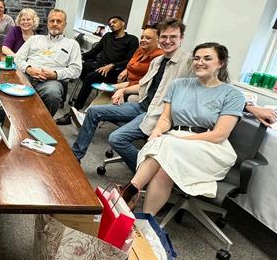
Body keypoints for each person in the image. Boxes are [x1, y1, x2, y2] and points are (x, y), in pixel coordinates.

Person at [121, 43, 246, 215]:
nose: (200, 62)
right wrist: (157, 130)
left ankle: (129, 191)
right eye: (196, 58)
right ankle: (146, 218)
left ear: (221, 63)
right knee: (164, 169)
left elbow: (219, 134)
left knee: (166, 145)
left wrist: (178, 140)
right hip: (173, 139)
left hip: (209, 145)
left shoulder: (233, 95)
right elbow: (166, 119)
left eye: (207, 58)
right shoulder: (178, 85)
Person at [71, 18, 191, 172]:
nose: (167, 41)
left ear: (181, 38)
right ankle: (75, 157)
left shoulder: (189, 62)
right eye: (164, 37)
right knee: (93, 111)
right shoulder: (157, 61)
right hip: (142, 106)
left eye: (173, 37)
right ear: (159, 38)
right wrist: (122, 90)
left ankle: (144, 174)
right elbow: (143, 86)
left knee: (116, 138)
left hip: (158, 114)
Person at [67, 24, 163, 127]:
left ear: (158, 39)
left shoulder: (159, 57)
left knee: (113, 90)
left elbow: (147, 82)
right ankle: (87, 116)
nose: (143, 40)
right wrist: (126, 70)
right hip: (130, 82)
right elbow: (131, 63)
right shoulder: (140, 51)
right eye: (142, 37)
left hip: (141, 86)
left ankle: (90, 119)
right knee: (108, 88)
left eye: (148, 38)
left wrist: (123, 86)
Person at [57, 15, 138, 123]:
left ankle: (73, 112)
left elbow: (130, 60)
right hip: (98, 65)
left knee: (90, 77)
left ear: (123, 23)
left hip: (114, 71)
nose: (111, 25)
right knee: (73, 68)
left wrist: (112, 65)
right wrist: (78, 57)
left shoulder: (132, 40)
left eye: (114, 22)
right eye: (110, 24)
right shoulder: (108, 36)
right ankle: (60, 99)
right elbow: (94, 51)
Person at [14, 9, 82, 116]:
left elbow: (76, 70)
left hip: (51, 82)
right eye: (52, 21)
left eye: (58, 21)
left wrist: (55, 74)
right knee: (13, 84)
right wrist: (29, 69)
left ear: (65, 24)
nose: (55, 24)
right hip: (27, 75)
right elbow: (17, 58)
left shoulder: (72, 45)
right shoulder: (34, 39)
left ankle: (43, 123)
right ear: (47, 23)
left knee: (53, 94)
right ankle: (6, 117)